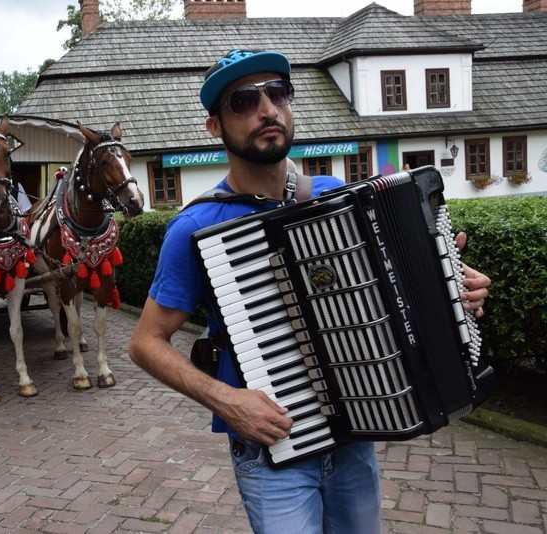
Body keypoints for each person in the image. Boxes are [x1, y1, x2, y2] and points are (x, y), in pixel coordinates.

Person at [128, 49, 492, 534]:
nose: (267, 109)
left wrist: (454, 290)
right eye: (243, 101)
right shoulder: (195, 227)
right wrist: (226, 400)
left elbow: (387, 298)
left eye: (277, 93)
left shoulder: (333, 195)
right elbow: (145, 343)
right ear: (214, 126)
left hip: (358, 431)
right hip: (272, 447)